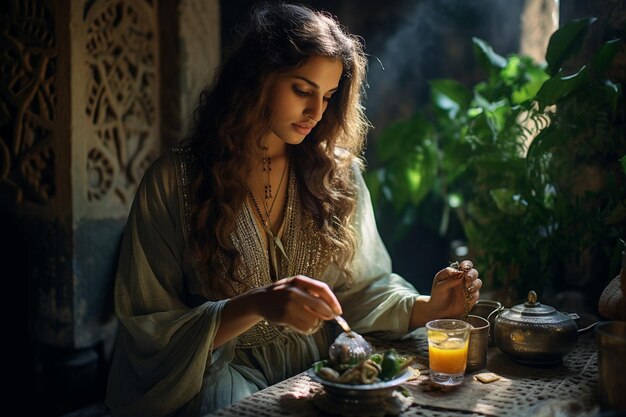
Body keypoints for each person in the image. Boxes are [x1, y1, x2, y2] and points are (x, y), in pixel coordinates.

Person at [105, 2, 482, 416]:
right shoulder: (174, 182)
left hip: (321, 365)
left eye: (328, 96)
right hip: (220, 373)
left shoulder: (338, 175)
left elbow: (359, 291)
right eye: (302, 90)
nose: (315, 113)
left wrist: (427, 307)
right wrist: (253, 305)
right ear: (256, 80)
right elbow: (147, 326)